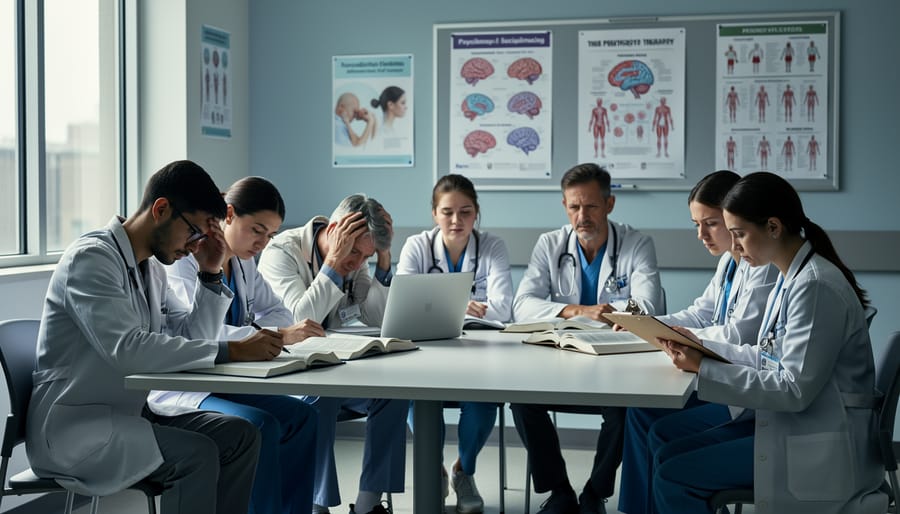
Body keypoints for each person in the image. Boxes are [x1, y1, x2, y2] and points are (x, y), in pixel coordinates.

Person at [25, 160, 290, 514]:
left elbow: (189, 338)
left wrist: (210, 273)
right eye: (195, 233)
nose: (196, 246)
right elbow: (127, 350)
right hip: (74, 428)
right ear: (161, 209)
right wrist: (233, 351)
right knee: (196, 455)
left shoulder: (151, 267)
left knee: (241, 435)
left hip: (129, 414)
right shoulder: (92, 259)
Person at [652, 171, 887, 514]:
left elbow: (793, 389)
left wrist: (704, 367)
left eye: (740, 234)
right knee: (666, 454)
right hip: (789, 425)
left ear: (774, 227)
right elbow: (768, 356)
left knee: (672, 474)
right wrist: (704, 351)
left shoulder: (814, 285)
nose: (734, 247)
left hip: (814, 442)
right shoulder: (793, 278)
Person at [148, 176, 322, 514]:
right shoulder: (185, 258)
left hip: (231, 376)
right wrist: (265, 336)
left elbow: (279, 312)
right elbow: (198, 335)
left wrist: (265, 333)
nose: (262, 242)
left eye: (269, 235)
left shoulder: (244, 261)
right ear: (228, 214)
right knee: (261, 425)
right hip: (188, 384)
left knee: (303, 417)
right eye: (256, 230)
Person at [616, 170, 778, 514]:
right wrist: (654, 325)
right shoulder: (728, 263)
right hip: (733, 377)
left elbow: (739, 335)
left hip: (744, 389)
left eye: (711, 224)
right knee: (640, 411)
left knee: (654, 423)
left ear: (734, 215)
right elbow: (702, 313)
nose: (702, 235)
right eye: (696, 225)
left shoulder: (764, 267)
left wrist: (684, 338)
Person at [511, 163, 663, 514]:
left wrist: (604, 312)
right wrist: (578, 311)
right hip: (559, 361)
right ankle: (560, 491)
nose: (582, 216)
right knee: (520, 398)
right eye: (574, 207)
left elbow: (649, 304)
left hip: (615, 362)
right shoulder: (550, 244)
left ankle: (595, 492)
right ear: (565, 206)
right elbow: (522, 305)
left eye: (591, 206)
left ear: (609, 204)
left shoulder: (637, 243)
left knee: (624, 408)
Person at [257, 195, 406, 514]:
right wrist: (334, 265)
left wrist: (382, 261)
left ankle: (368, 505)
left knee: (394, 393)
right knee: (318, 396)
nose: (356, 263)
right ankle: (315, 505)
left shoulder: (359, 256)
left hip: (334, 369)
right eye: (354, 252)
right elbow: (299, 319)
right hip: (290, 375)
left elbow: (375, 317)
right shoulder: (281, 253)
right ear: (337, 231)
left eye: (362, 256)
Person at [396, 174, 513, 513]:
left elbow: (504, 308)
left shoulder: (492, 246)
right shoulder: (418, 246)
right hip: (427, 355)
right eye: (447, 212)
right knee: (416, 399)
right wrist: (461, 305)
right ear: (434, 214)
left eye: (465, 212)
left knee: (483, 403)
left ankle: (464, 470)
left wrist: (442, 305)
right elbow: (404, 303)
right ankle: (435, 469)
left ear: (476, 213)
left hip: (478, 354)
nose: (456, 221)